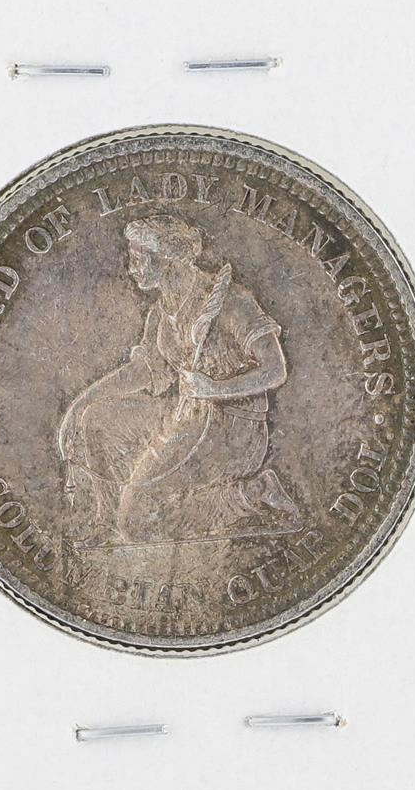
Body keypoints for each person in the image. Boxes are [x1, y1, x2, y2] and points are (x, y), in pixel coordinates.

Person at [58, 213, 300, 546]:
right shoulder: (161, 314)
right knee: (96, 420)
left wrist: (216, 389)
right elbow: (144, 371)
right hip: (184, 418)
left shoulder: (230, 302)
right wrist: (81, 403)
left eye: (138, 259)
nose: (131, 269)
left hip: (232, 432)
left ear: (166, 259)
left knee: (139, 523)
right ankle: (108, 521)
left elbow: (276, 369)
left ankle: (252, 492)